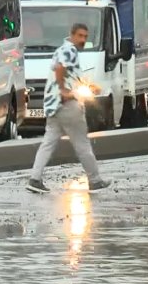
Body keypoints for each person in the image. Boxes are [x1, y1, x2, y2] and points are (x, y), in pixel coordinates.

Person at [26, 23, 112, 194]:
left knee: (48, 142)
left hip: (53, 105)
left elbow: (70, 75)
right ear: (71, 35)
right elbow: (60, 69)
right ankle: (95, 181)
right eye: (80, 36)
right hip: (68, 105)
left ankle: (35, 179)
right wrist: (64, 91)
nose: (83, 40)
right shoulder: (69, 50)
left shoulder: (62, 50)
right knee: (82, 143)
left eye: (85, 37)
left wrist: (90, 86)